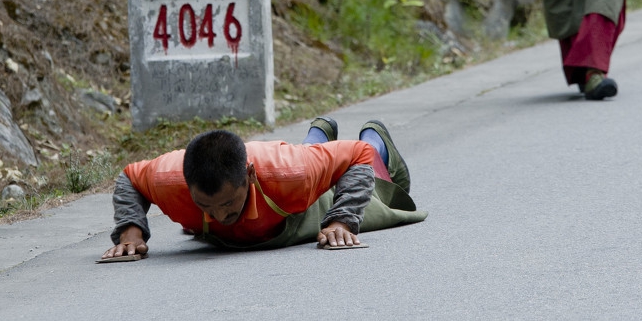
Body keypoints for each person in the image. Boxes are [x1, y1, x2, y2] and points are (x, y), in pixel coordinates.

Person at [100, 117, 424, 259]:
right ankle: (318, 135)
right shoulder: (168, 179)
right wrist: (131, 231)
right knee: (310, 161)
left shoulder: (291, 171)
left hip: (298, 190)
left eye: (228, 203)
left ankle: (377, 134)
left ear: (250, 176)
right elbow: (130, 176)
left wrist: (341, 220)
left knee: (378, 190)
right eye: (205, 206)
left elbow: (357, 156)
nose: (219, 216)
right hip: (298, 168)